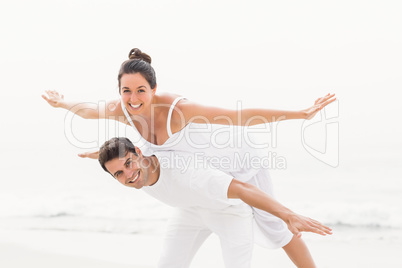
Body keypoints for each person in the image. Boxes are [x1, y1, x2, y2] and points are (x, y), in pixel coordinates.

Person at [42, 48, 336, 267]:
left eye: (141, 91)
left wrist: (301, 114)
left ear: (154, 89)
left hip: (235, 159)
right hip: (194, 166)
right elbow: (89, 112)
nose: (133, 99)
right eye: (126, 91)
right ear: (118, 91)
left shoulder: (177, 110)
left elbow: (240, 117)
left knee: (276, 225)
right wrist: (61, 104)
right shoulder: (122, 109)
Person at [99, 137, 332, 268]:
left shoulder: (190, 175)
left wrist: (287, 215)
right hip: (190, 210)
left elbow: (242, 189)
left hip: (228, 212)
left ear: (139, 153)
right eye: (118, 174)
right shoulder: (137, 160)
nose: (128, 175)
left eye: (128, 164)